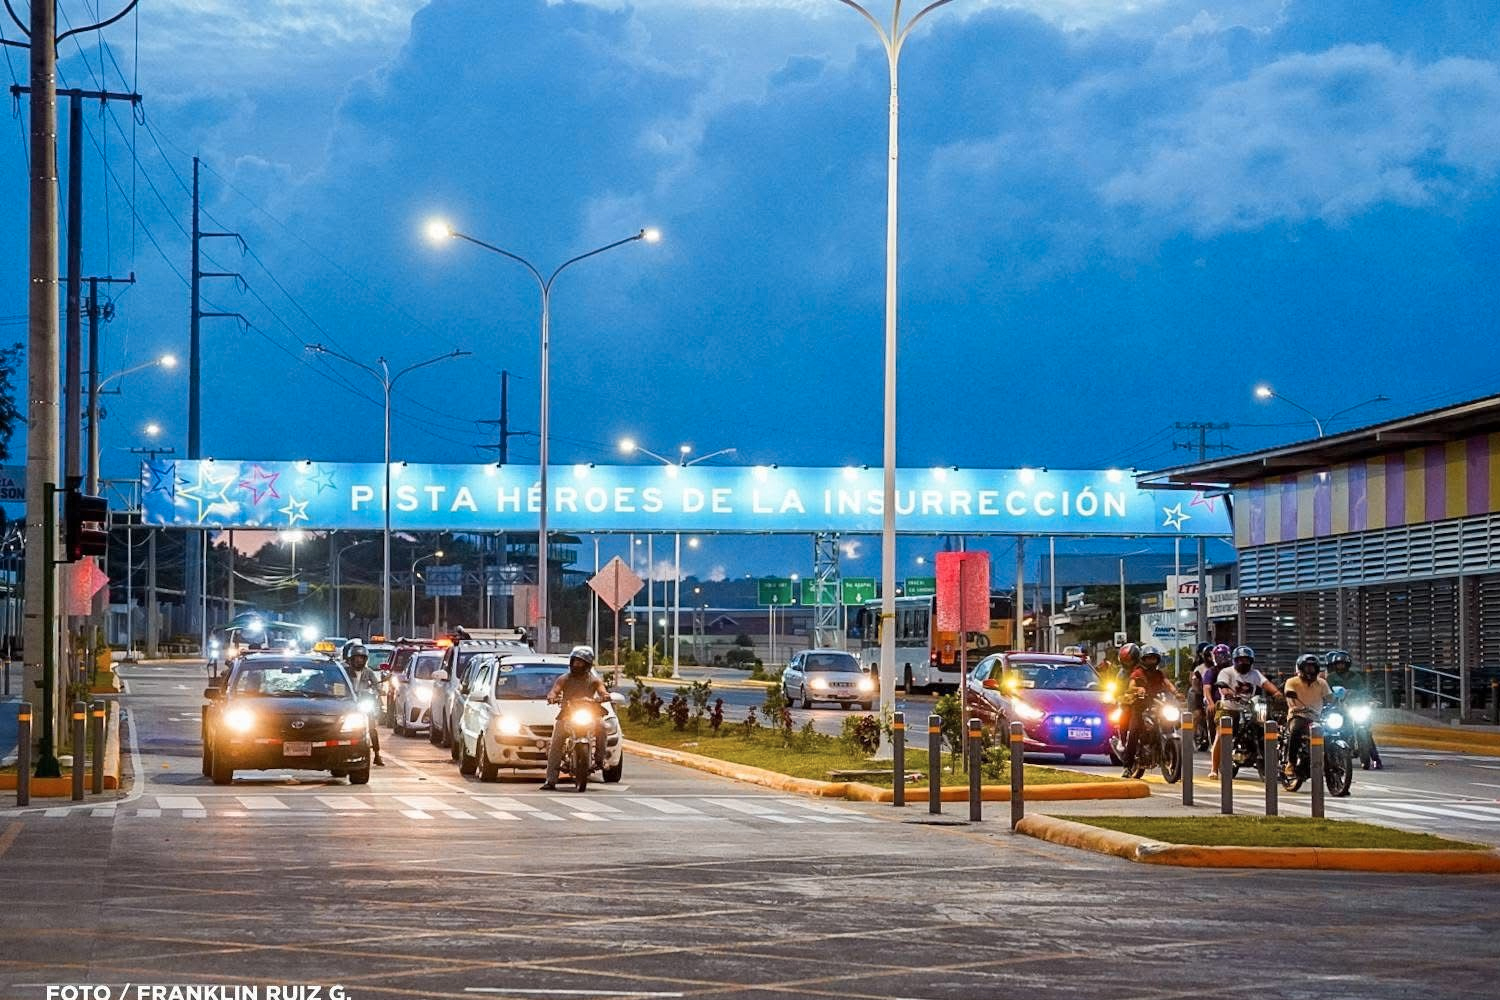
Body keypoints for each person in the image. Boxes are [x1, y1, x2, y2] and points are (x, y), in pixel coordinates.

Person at [541, 645, 610, 791]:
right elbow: (554, 690)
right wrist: (552, 697)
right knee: (556, 740)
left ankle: (600, 759)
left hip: (589, 713)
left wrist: (604, 696)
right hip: (568, 714)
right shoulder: (564, 679)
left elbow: (602, 691)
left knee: (602, 727)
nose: (576, 665)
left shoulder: (594, 680)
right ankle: (551, 779)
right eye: (575, 661)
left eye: (580, 662)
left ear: (588, 664)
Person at [1209, 645, 1280, 779]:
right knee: (1221, 734)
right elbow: (1222, 686)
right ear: (1235, 660)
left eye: (1247, 660)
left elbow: (1266, 684)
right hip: (1229, 709)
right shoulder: (1226, 672)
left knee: (1267, 726)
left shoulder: (1255, 674)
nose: (1244, 663)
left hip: (1250, 708)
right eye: (1241, 660)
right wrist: (1228, 693)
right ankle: (1213, 768)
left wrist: (1277, 694)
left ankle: (1269, 760)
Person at [1121, 644, 1180, 776]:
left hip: (1157, 704)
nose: (1151, 661)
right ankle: (1127, 766)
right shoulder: (1138, 672)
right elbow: (1131, 687)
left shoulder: (1159, 674)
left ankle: (1168, 754)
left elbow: (1167, 683)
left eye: (1153, 659)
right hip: (1140, 707)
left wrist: (1176, 693)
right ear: (1143, 659)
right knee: (1135, 731)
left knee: (1171, 719)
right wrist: (1138, 689)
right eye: (1148, 659)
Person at [1326, 649, 1383, 769]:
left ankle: (1376, 759)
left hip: (1355, 706)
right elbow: (1327, 693)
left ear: (1347, 664)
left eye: (1342, 663)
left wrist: (1370, 700)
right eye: (1338, 664)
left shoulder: (1356, 677)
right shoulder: (1330, 678)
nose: (1340, 666)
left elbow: (1363, 691)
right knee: (1331, 730)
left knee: (1366, 732)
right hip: (1339, 708)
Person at [1282, 653, 1334, 778]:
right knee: (1295, 732)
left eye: (1312, 668)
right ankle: (1291, 763)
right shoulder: (1292, 682)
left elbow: (1330, 697)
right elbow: (1288, 693)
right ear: (1300, 668)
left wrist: (1337, 703)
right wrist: (1296, 705)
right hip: (1298, 715)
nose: (1310, 671)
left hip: (1316, 717)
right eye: (1307, 668)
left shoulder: (1322, 683)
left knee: (1331, 734)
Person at [343, 643, 385, 767]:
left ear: (365, 659)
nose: (358, 661)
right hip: (349, 704)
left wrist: (379, 691)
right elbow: (335, 684)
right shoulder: (344, 672)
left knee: (372, 728)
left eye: (361, 658)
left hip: (364, 703)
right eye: (356, 658)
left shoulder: (369, 672)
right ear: (351, 659)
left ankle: (377, 754)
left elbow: (377, 685)